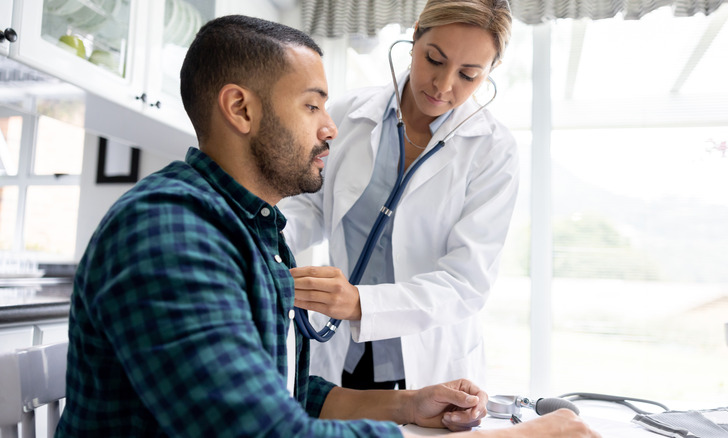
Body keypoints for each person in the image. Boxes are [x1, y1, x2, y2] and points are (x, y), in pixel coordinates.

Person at [54, 14, 599, 438]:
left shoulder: (245, 232)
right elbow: (268, 431)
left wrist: (408, 404)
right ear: (241, 111)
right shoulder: (170, 235)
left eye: (470, 74)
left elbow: (289, 392)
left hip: (422, 351)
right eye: (313, 106)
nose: (333, 128)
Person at [281, 0, 520, 390]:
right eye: (435, 59)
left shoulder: (493, 151)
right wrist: (256, 242)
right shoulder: (348, 114)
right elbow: (308, 205)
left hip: (429, 361)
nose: (443, 86)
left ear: (490, 72)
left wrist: (361, 303)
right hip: (340, 348)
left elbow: (466, 281)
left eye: (469, 75)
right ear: (414, 37)